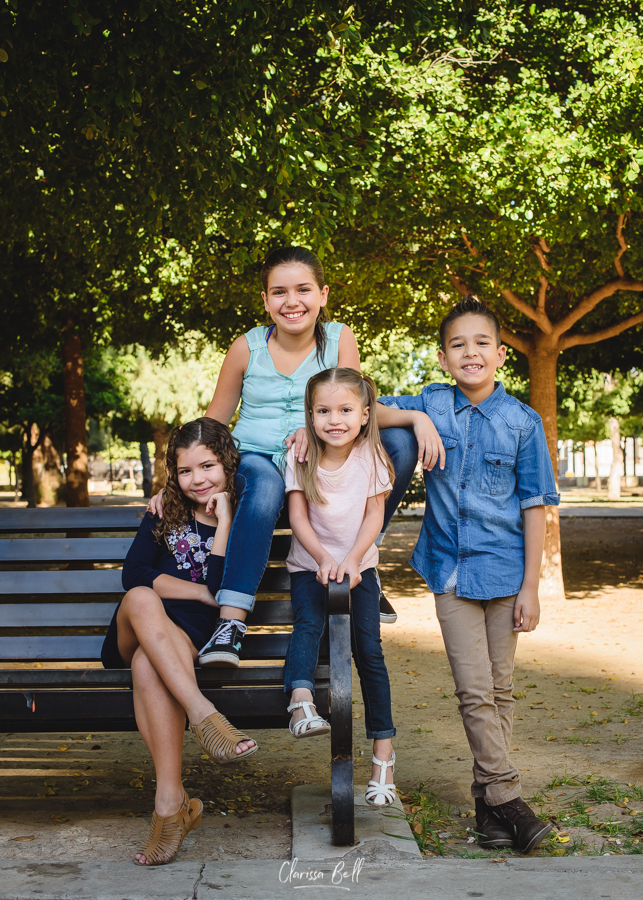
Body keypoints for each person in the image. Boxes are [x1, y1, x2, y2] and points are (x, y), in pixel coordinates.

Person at [148, 246, 443, 665]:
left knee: (398, 443)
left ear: (323, 294)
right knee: (266, 484)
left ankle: (360, 563)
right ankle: (230, 622)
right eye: (279, 292)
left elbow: (357, 407)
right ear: (265, 300)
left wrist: (415, 418)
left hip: (318, 469)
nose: (292, 302)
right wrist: (170, 485)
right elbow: (212, 424)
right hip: (257, 462)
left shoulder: (340, 338)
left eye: (303, 289)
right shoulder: (246, 347)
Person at [378, 296, 560, 853]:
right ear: (442, 357)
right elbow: (367, 406)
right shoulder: (432, 402)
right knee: (475, 691)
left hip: (507, 573)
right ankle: (510, 798)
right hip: (450, 569)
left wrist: (532, 586)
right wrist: (414, 417)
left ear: (502, 355)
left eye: (482, 343)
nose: (470, 353)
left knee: (500, 691)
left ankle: (488, 810)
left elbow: (535, 506)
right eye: (458, 344)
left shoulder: (523, 423)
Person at [101, 418, 257, 866]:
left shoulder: (245, 514)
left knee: (149, 666)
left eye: (207, 466)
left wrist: (225, 519)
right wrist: (199, 593)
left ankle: (170, 807)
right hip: (137, 626)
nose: (197, 480)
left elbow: (220, 579)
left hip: (188, 636)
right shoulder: (164, 510)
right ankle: (203, 713)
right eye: (186, 471)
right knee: (140, 596)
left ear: (227, 463)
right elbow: (134, 575)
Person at [283, 367, 397, 808]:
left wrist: (350, 561)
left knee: (368, 651)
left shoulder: (373, 459)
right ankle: (301, 701)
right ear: (310, 416)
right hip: (309, 565)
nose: (335, 419)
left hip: (359, 567)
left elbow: (373, 517)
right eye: (324, 410)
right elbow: (297, 519)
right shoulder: (300, 457)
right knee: (309, 624)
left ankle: (383, 756)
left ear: (365, 414)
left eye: (346, 409)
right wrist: (325, 560)